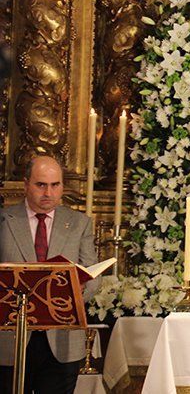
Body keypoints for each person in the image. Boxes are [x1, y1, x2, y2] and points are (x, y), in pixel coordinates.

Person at [0, 156, 100, 394]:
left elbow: (94, 276)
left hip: (61, 339)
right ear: (26, 184)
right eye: (41, 185)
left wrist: (75, 294)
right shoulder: (5, 220)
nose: (48, 192)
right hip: (10, 339)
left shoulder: (79, 223)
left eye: (55, 185)